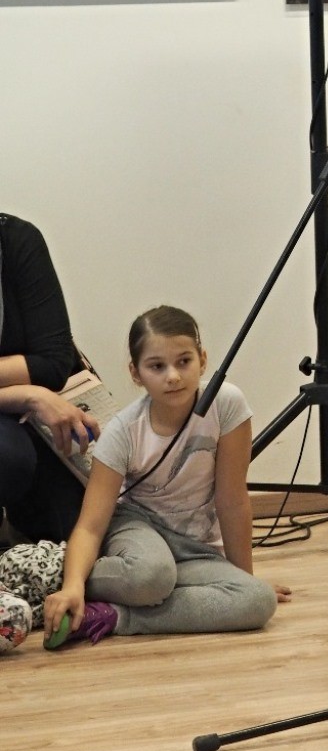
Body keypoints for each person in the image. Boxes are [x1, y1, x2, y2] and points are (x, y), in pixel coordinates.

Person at [43, 306, 288, 649]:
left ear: (203, 360)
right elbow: (91, 526)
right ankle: (72, 578)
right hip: (138, 531)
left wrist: (241, 580)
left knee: (258, 601)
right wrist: (72, 585)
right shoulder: (123, 432)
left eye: (183, 361)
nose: (172, 376)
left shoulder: (227, 404)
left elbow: (232, 500)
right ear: (136, 373)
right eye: (157, 366)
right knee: (152, 576)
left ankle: (114, 616)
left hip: (193, 549)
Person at [0, 213, 94, 545]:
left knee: (78, 536)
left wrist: (33, 395)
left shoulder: (16, 239)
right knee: (8, 457)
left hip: (30, 415)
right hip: (18, 412)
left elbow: (53, 364)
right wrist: (28, 394)